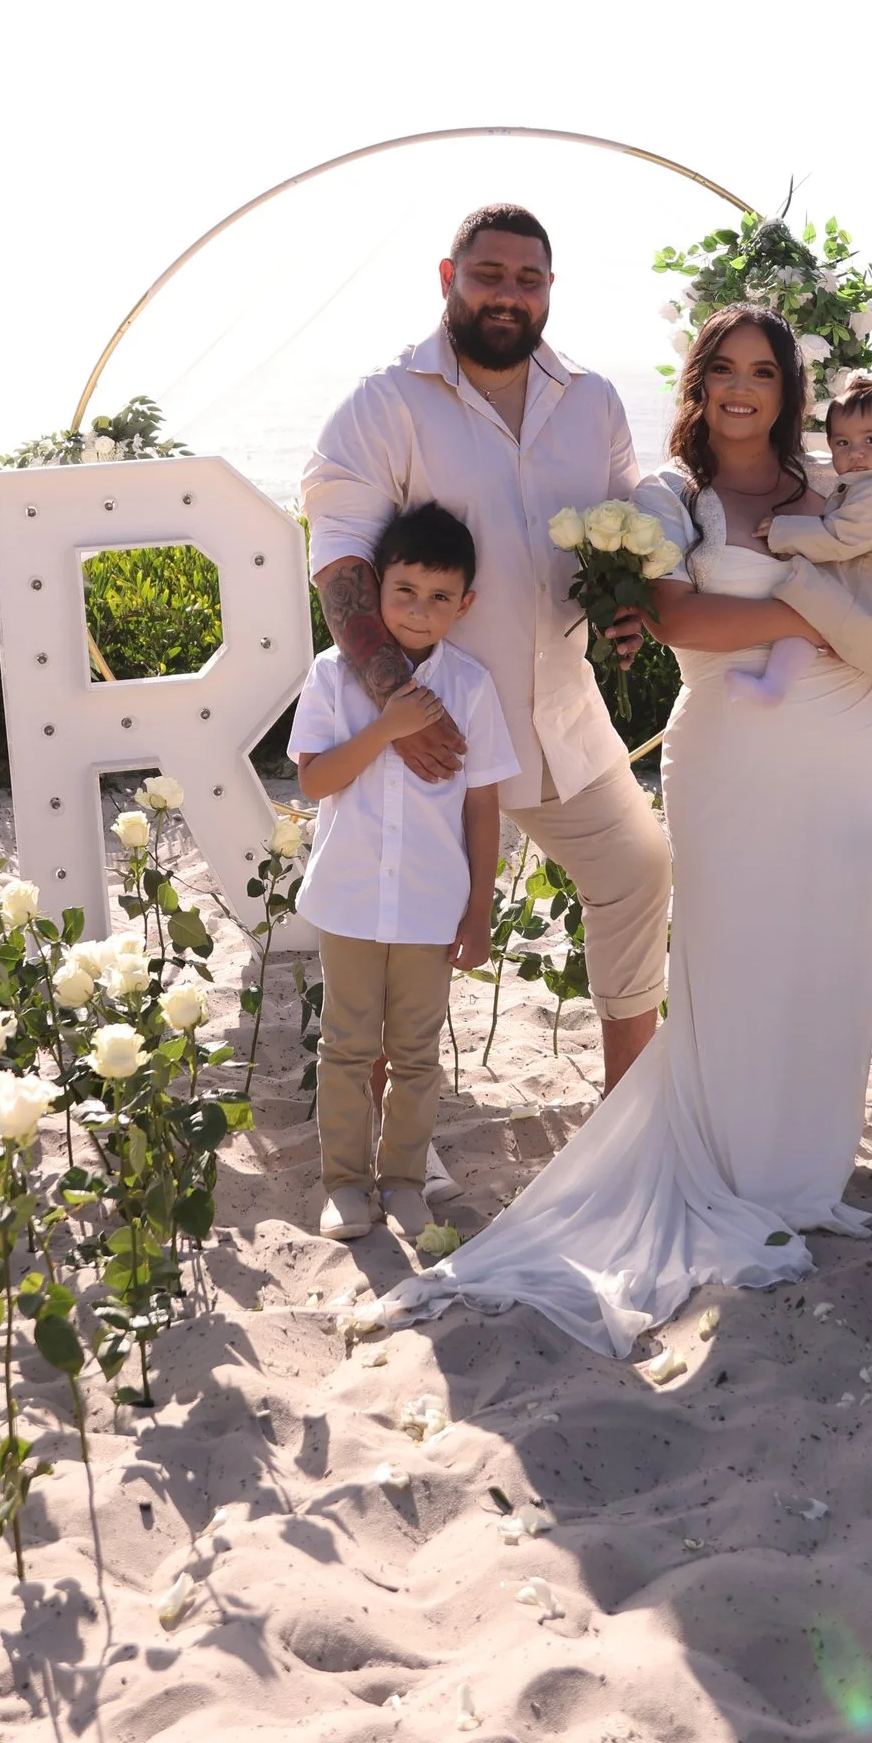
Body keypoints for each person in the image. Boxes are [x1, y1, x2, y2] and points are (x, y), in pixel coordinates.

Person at [382, 304, 872, 1357]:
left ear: (790, 389)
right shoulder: (671, 495)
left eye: (765, 372)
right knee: (733, 952)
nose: (744, 389)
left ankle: (808, 1163)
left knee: (831, 950)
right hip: (733, 757)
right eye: (725, 370)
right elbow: (678, 619)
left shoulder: (836, 485)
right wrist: (814, 617)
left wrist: (842, 618)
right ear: (698, 383)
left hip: (851, 744)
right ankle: (732, 1158)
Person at [300, 203, 673, 1100]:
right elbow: (342, 563)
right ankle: (374, 1138)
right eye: (489, 274)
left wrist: (630, 606)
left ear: (549, 289)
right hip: (435, 731)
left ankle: (629, 1117)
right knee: (399, 930)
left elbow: (620, 532)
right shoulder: (383, 403)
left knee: (637, 869)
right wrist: (404, 708)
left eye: (529, 278)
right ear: (447, 277)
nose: (509, 294)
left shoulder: (594, 401)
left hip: (560, 718)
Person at [288, 502, 518, 1241]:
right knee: (347, 1046)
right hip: (350, 899)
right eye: (404, 591)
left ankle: (406, 1181)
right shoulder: (331, 676)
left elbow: (483, 807)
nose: (420, 612)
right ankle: (346, 1185)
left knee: (418, 1053)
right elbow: (315, 782)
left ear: (465, 604)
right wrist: (388, 726)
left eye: (440, 597)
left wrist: (479, 911)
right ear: (376, 587)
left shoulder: (473, 686)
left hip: (429, 903)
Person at [728, 379, 872, 710]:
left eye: (871, 439)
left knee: (806, 604)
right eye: (842, 443)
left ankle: (774, 685)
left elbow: (841, 537)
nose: (855, 453)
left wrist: (784, 531)